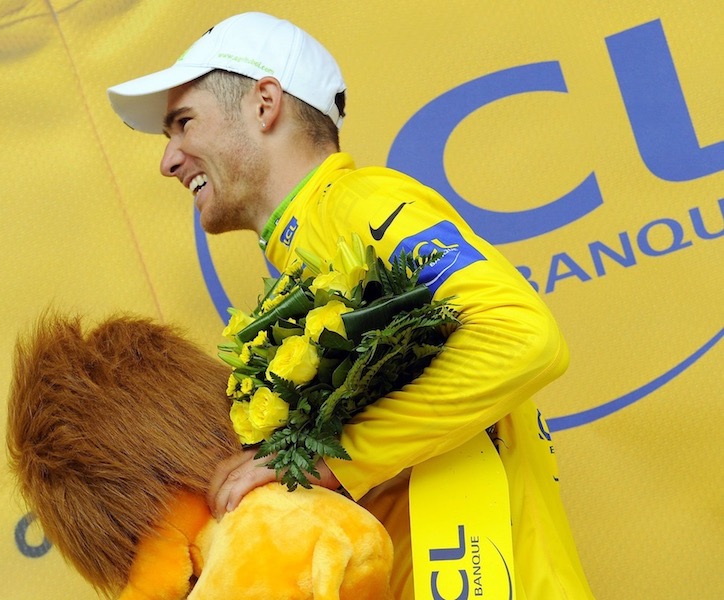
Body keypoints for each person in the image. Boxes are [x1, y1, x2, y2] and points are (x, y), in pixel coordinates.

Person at [107, 12, 594, 599]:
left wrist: (333, 457)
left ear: (264, 104)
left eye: (184, 124)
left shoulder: (356, 206)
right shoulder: (306, 255)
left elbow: (521, 337)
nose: (169, 160)